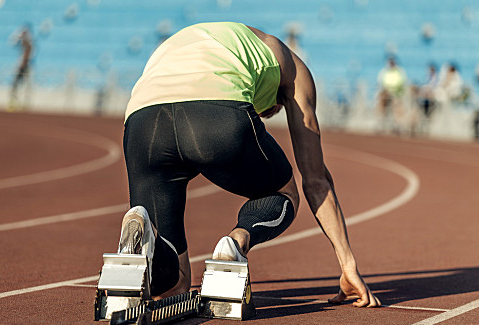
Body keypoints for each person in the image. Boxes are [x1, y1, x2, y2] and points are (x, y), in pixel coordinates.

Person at [119, 22, 380, 307]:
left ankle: (146, 237)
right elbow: (316, 179)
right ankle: (236, 243)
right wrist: (348, 264)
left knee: (176, 285)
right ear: (279, 99)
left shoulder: (215, 40)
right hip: (214, 111)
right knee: (285, 193)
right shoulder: (293, 68)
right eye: (272, 110)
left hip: (142, 119)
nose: (267, 113)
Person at [8, 24, 33, 111]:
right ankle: (16, 103)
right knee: (18, 85)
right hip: (23, 66)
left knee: (20, 85)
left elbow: (26, 55)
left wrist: (22, 66)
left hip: (24, 67)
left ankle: (19, 104)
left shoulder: (29, 45)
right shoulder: (26, 44)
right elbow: (12, 41)